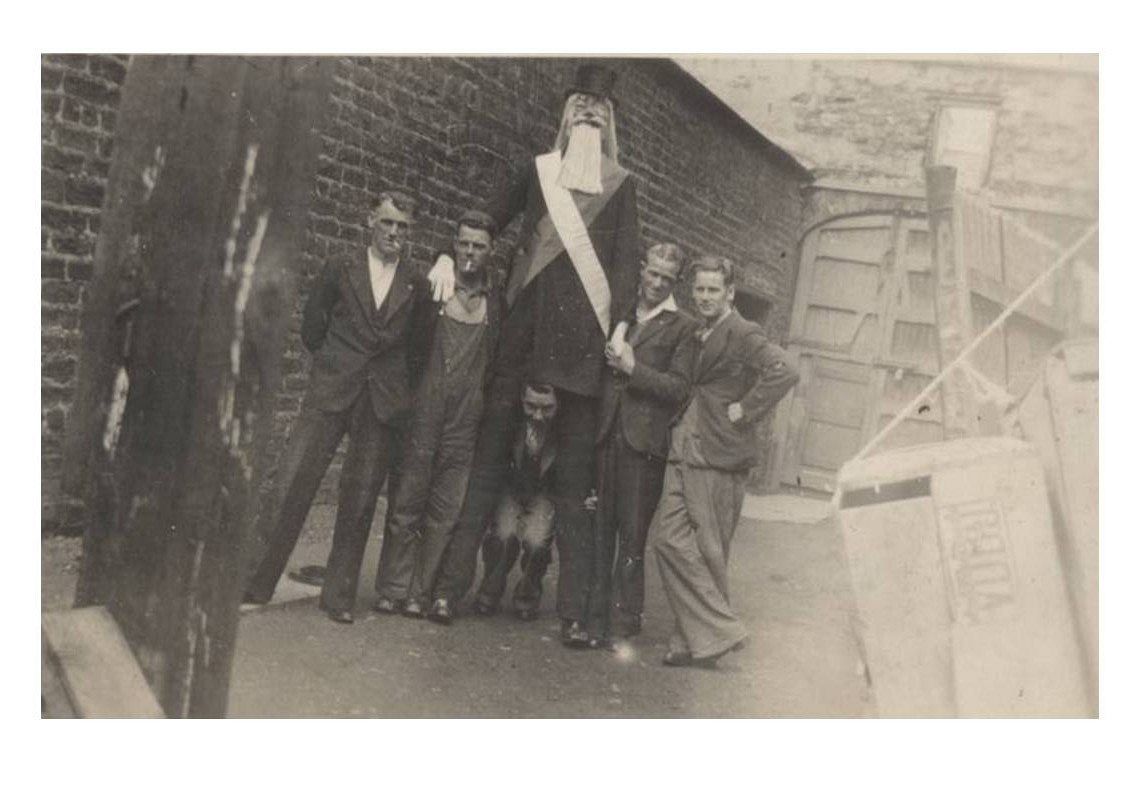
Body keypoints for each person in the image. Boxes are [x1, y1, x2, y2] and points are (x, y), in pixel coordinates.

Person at [426, 64, 640, 646]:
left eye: (599, 108)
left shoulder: (622, 186)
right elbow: (487, 219)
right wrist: (447, 254)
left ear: (609, 121)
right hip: (521, 346)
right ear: (566, 115)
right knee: (484, 474)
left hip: (580, 357)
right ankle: (448, 589)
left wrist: (621, 327)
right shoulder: (537, 170)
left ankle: (574, 614)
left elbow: (625, 266)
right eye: (581, 104)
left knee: (572, 493)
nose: (589, 113)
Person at [242, 191, 427, 625]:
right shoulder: (340, 267)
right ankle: (255, 581)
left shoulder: (415, 284)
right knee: (292, 481)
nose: (394, 233)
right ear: (370, 222)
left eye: (402, 227)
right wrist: (334, 362)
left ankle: (339, 594)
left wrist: (394, 386)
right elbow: (313, 325)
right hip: (331, 389)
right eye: (387, 223)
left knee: (360, 496)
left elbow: (419, 348)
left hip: (380, 400)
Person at [651, 255, 798, 667]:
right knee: (668, 540)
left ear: (729, 293)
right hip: (685, 446)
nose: (705, 297)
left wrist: (746, 409)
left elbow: (785, 370)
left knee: (710, 550)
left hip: (717, 451)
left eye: (713, 290)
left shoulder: (742, 331)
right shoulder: (699, 330)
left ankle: (692, 642)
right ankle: (719, 631)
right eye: (699, 289)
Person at [371, 210, 503, 622]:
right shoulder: (435, 289)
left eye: (478, 246)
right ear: (454, 244)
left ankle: (421, 592)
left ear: (491, 251)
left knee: (445, 511)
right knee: (407, 502)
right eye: (463, 244)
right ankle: (393, 588)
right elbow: (408, 347)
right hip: (425, 411)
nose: (469, 252)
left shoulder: (496, 303)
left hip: (465, 420)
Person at [583, 243, 698, 648]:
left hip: (644, 445)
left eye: (667, 278)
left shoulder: (683, 326)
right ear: (643, 269)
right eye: (653, 272)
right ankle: (593, 619)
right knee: (600, 530)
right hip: (607, 434)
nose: (657, 282)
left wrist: (634, 369)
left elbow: (679, 388)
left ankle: (623, 621)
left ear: (676, 282)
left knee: (632, 537)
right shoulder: (623, 312)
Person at [473, 383, 560, 621]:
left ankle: (527, 597)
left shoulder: (564, 429)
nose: (538, 415)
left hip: (543, 493)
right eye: (531, 406)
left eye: (547, 408)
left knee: (537, 542)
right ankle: (489, 591)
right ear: (521, 399)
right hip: (512, 488)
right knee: (502, 535)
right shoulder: (510, 420)